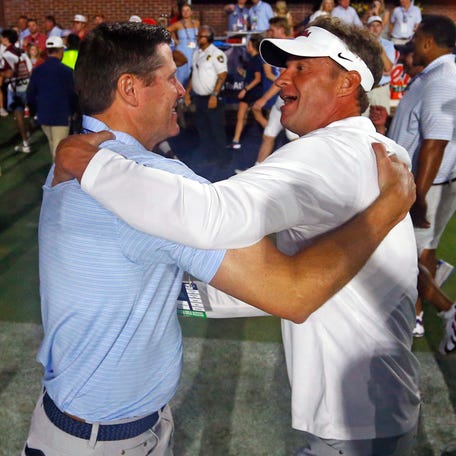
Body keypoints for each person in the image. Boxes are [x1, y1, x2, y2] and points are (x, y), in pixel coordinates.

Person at [23, 21, 416, 456]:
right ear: (131, 89)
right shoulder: (377, 150)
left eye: (300, 68)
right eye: (172, 77)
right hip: (105, 440)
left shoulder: (90, 164)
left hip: (86, 427)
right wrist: (388, 206)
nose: (182, 90)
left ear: (348, 81)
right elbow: (286, 290)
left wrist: (90, 165)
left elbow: (221, 224)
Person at [388, 14, 456, 350]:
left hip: (428, 185)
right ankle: (416, 314)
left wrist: (419, 195)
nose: (412, 44)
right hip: (426, 183)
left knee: (403, 256)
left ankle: (447, 311)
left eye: (416, 38)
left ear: (428, 42)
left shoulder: (442, 78)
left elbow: (435, 143)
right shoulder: (435, 74)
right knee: (419, 252)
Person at [252, 16, 298, 164]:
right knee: (268, 135)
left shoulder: (293, 47)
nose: (269, 33)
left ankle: (298, 174)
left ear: (281, 29)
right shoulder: (277, 46)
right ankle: (256, 171)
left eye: (272, 30)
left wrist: (264, 99)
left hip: (293, 98)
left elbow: (283, 79)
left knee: (294, 139)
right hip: (281, 98)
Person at [27, 36, 77, 160]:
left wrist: (34, 112)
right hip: (60, 115)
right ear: (60, 51)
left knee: (52, 144)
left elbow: (30, 94)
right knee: (59, 149)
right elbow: (73, 94)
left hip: (43, 115)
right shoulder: (67, 71)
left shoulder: (37, 70)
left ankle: (56, 174)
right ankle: (58, 177)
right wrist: (74, 111)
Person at [184, 25, 228, 164]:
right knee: (203, 130)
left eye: (201, 36)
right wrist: (187, 92)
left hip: (212, 98)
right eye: (198, 36)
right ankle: (209, 157)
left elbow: (222, 75)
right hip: (199, 98)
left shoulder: (217, 53)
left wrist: (215, 95)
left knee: (216, 130)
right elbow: (194, 74)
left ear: (209, 38)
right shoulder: (197, 53)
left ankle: (224, 160)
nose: (198, 38)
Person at [230, 34, 269, 150]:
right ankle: (235, 140)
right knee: (240, 116)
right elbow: (251, 76)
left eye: (248, 44)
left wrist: (245, 89)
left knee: (257, 117)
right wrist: (243, 73)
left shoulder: (257, 59)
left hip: (254, 92)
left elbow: (257, 79)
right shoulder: (252, 59)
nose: (247, 46)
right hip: (248, 92)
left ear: (253, 46)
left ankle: (271, 134)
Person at [0, 28, 33, 153]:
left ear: (7, 39)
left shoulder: (7, 54)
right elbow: (29, 68)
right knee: (26, 114)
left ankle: (25, 143)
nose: (1, 39)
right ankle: (28, 134)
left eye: (2, 37)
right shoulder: (21, 51)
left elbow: (9, 73)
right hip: (26, 86)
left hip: (16, 89)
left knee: (18, 116)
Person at [364, 15, 394, 121]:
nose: (375, 28)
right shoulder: (361, 44)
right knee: (362, 123)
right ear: (368, 28)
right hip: (365, 89)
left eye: (378, 26)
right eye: (372, 25)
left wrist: (378, 45)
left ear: (381, 28)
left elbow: (388, 69)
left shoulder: (388, 45)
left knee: (380, 123)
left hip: (381, 89)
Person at [167, 3, 199, 87]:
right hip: (183, 49)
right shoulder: (178, 24)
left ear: (191, 12)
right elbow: (167, 30)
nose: (185, 12)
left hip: (195, 49)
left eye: (187, 10)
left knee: (195, 70)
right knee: (182, 71)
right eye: (183, 11)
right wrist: (175, 40)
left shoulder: (197, 23)